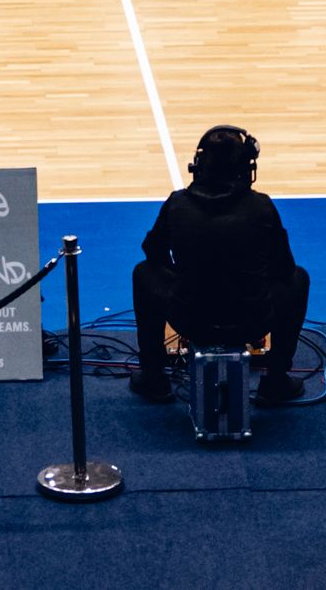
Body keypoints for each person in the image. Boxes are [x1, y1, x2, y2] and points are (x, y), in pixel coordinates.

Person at [128, 126, 307, 408]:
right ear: (246, 168)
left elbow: (152, 253)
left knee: (143, 273)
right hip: (252, 321)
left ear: (198, 166)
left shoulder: (177, 204)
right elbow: (284, 267)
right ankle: (275, 381)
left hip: (189, 319)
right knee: (299, 280)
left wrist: (185, 275)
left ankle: (153, 376)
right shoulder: (262, 206)